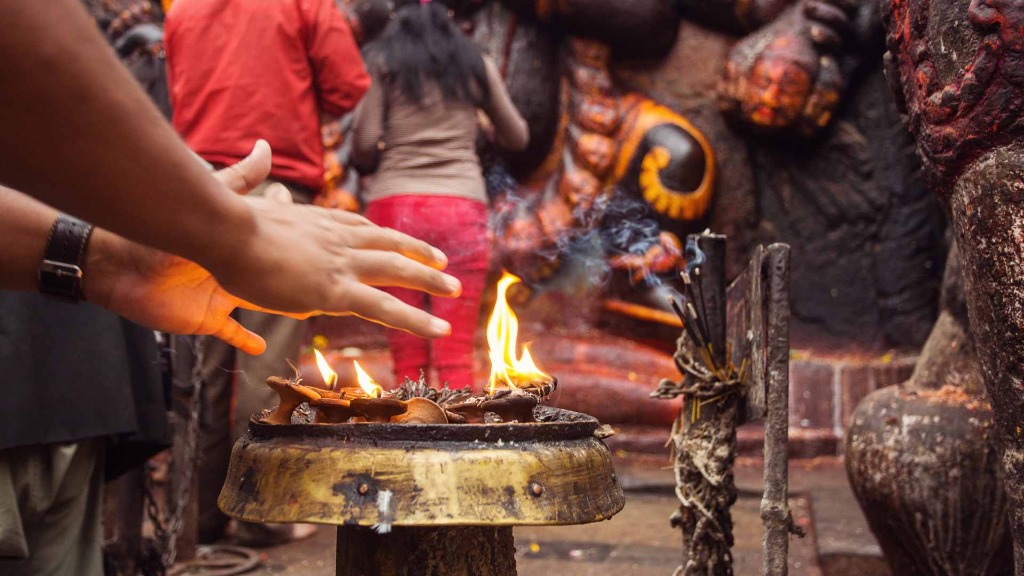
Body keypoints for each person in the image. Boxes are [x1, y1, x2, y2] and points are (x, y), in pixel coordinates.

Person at [163, 0, 371, 544]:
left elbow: (179, 88)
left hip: (195, 188)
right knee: (266, 359)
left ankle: (197, 519)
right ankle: (261, 513)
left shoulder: (182, 8)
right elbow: (349, 85)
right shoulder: (303, 3)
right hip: (274, 189)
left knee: (200, 364)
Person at [352, 0, 528, 391]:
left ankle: (407, 426)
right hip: (460, 207)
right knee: (456, 353)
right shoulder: (475, 63)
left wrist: (385, 147)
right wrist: (483, 127)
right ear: (451, 16)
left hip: (395, 209)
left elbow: (363, 143)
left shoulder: (384, 61)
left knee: (406, 358)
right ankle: (461, 429)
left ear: (397, 17)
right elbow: (517, 136)